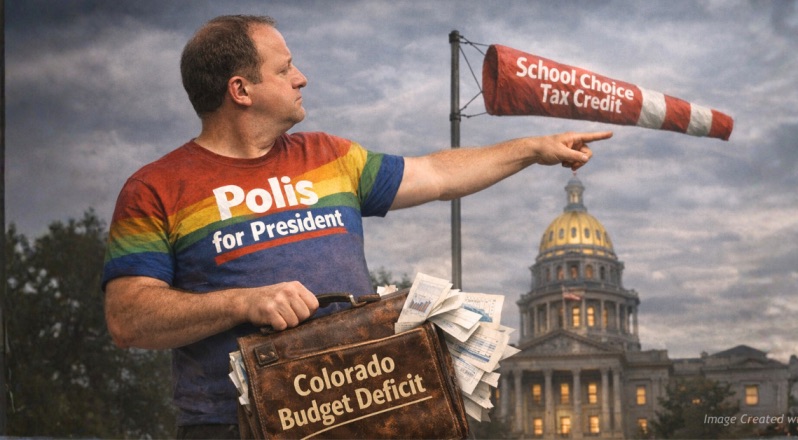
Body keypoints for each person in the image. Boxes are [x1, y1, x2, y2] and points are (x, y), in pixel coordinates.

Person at [102, 14, 612, 439]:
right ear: (241, 90)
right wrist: (243, 301)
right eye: (285, 69)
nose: (301, 78)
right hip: (233, 425)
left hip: (360, 412)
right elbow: (127, 317)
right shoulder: (156, 188)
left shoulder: (332, 157)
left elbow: (435, 173)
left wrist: (531, 148)